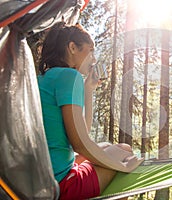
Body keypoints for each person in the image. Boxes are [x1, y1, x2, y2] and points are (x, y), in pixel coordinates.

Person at [37, 22, 143, 200]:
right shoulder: (69, 76)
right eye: (91, 50)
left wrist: (88, 90)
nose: (94, 59)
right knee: (125, 152)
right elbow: (80, 144)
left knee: (110, 148)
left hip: (42, 176)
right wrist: (121, 167)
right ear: (72, 47)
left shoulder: (43, 78)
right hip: (61, 185)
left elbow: (80, 132)